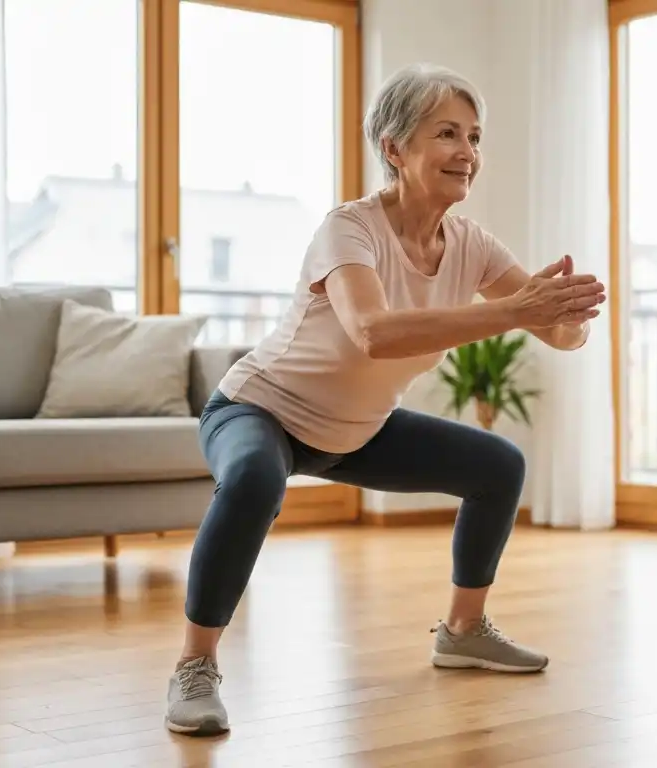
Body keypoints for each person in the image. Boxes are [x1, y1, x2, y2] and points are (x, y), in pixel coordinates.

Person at [163, 62, 606, 736]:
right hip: (259, 410)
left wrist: (563, 315)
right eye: (448, 133)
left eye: (475, 136)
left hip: (356, 429)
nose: (468, 152)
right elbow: (374, 333)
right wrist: (518, 309)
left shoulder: (471, 245)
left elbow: (553, 331)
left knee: (498, 466)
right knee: (254, 477)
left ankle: (462, 631)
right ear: (395, 149)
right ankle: (195, 667)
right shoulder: (349, 229)